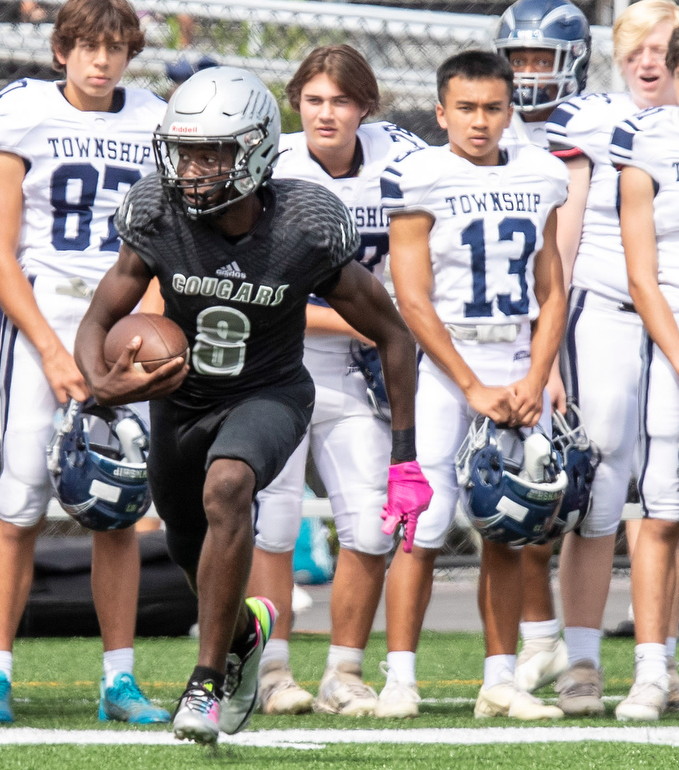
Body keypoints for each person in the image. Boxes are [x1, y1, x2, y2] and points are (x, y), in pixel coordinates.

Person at [74, 65, 429, 745]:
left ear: (258, 150)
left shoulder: (304, 221)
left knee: (229, 485)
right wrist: (100, 383)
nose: (195, 169)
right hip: (181, 400)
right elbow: (100, 314)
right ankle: (242, 633)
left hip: (269, 392)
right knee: (186, 539)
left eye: (213, 152)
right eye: (186, 152)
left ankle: (206, 684)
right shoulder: (157, 211)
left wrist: (405, 459)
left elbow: (392, 334)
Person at [0, 0, 170, 726]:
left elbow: (163, 242)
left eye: (115, 47)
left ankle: (119, 680)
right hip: (44, 313)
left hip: (122, 320)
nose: (101, 60)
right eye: (86, 46)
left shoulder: (153, 116)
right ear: (60, 50)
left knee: (116, 505)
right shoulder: (22, 110)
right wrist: (56, 351)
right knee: (18, 503)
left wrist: (136, 335)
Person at [381, 50, 568, 720]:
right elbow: (412, 298)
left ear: (509, 110)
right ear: (441, 111)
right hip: (444, 367)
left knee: (510, 525)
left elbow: (552, 288)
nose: (480, 121)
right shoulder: (420, 173)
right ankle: (399, 677)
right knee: (421, 526)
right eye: (466, 108)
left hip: (516, 361)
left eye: (493, 107)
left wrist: (536, 376)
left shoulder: (543, 174)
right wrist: (469, 384)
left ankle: (500, 678)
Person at [244, 45, 427, 717]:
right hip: (279, 359)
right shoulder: (272, 165)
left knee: (372, 523)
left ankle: (343, 671)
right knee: (275, 522)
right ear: (297, 102)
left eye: (341, 100)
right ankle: (271, 670)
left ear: (365, 107)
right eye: (315, 99)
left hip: (360, 373)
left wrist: (385, 331)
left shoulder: (401, 157)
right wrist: (367, 326)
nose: (327, 113)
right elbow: (261, 286)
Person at [546, 0, 679, 716]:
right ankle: (580, 658)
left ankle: (655, 659)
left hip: (676, 321)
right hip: (605, 312)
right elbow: (563, 236)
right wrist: (546, 352)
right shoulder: (589, 119)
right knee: (600, 484)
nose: (649, 60)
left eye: (662, 47)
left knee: (669, 495)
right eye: (635, 49)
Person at [492, 0, 591, 696]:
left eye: (540, 59)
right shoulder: (484, 129)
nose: (529, 74)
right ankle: (541, 637)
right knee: (520, 478)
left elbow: (567, 247)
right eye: (518, 58)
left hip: (584, 312)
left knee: (586, 486)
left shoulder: (587, 131)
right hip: (512, 321)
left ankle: (580, 647)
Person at [609, 20, 679, 721]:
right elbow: (641, 274)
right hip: (676, 340)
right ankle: (652, 670)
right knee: (664, 510)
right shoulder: (651, 138)